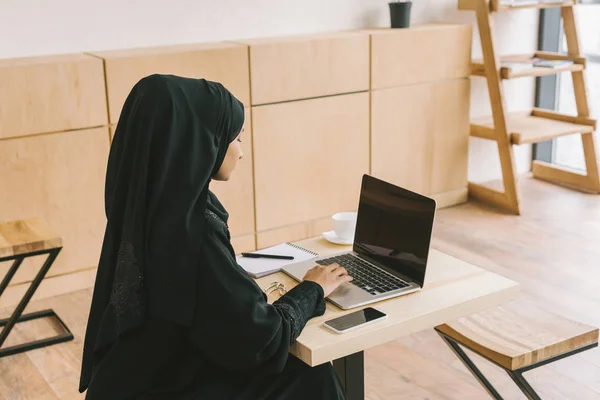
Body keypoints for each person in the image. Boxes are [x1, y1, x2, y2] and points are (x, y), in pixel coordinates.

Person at [79, 74, 352, 399]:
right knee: (311, 375)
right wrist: (313, 289)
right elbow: (260, 338)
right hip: (162, 389)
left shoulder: (144, 200)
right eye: (235, 138)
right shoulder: (192, 228)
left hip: (127, 381)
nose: (240, 151)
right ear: (201, 141)